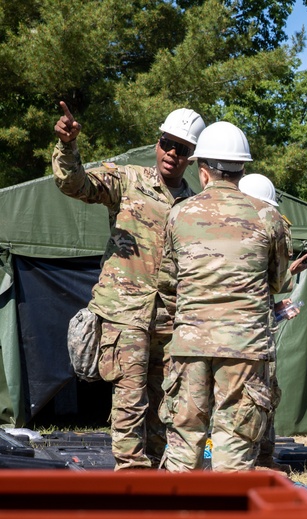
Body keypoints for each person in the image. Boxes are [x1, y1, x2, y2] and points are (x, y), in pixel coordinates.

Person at [53, 103, 205, 470]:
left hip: (172, 321)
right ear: (157, 142)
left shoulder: (197, 206)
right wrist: (68, 146)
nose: (172, 153)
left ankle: (156, 477)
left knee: (165, 403)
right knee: (129, 399)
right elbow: (74, 184)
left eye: (182, 149)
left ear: (191, 158)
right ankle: (131, 479)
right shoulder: (128, 180)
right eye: (167, 143)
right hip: (125, 315)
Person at [158, 122, 290, 472]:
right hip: (245, 345)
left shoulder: (179, 213)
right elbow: (278, 282)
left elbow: (168, 281)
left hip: (190, 344)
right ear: (241, 169)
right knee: (234, 442)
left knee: (185, 440)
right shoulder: (267, 215)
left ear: (203, 171)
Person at [238, 173, 307, 470]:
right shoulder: (258, 231)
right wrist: (286, 274)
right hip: (251, 334)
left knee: (262, 394)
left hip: (245, 327)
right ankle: (252, 459)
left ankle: (261, 457)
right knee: (258, 393)